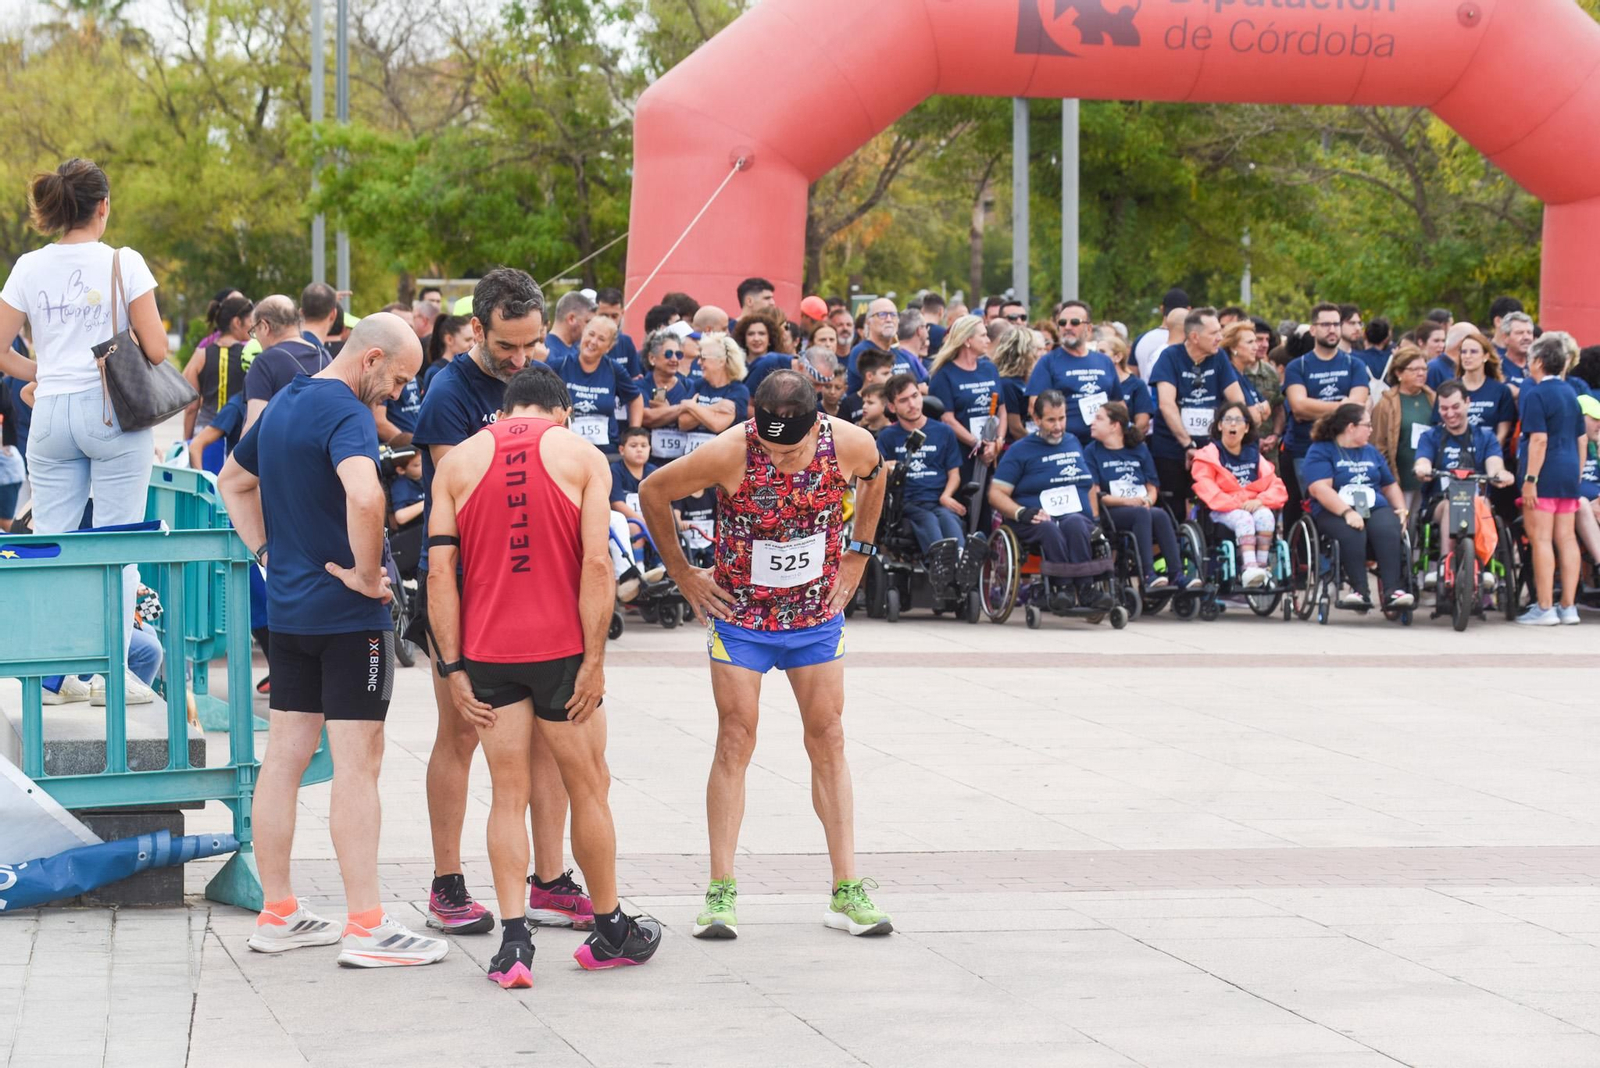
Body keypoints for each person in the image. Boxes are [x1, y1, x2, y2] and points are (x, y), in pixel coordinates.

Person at [220, 312, 447, 968]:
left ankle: (278, 912)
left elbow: (232, 481)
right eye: (398, 380)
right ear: (370, 358)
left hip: (290, 614)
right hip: (349, 619)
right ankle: (367, 925)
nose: (398, 395)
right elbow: (367, 497)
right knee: (358, 764)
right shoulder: (347, 412)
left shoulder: (284, 402)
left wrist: (267, 554)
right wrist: (368, 574)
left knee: (284, 759)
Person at [637, 369, 894, 940]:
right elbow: (652, 491)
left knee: (828, 736)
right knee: (736, 736)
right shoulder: (729, 450)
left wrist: (858, 555)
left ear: (816, 426)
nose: (780, 461)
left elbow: (877, 475)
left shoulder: (850, 442)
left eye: (792, 452)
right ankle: (720, 890)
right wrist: (683, 574)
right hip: (742, 617)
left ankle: (846, 889)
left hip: (814, 614)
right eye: (772, 450)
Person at [426, 365, 661, 985]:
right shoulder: (581, 455)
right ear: (562, 413)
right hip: (560, 650)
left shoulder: (458, 462)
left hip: (487, 650)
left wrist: (452, 667)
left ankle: (513, 945)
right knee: (588, 787)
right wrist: (594, 661)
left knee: (507, 793)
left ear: (506, 411)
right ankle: (611, 929)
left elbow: (438, 574)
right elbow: (597, 565)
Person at [408, 268, 594, 938]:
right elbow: (461, 497)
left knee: (549, 738)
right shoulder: (448, 391)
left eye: (532, 344)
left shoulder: (541, 381)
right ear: (476, 330)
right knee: (462, 732)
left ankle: (549, 881)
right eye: (507, 346)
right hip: (465, 588)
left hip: (538, 590)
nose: (521, 360)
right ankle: (447, 883)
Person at [0, 158, 169, 696]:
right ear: (103, 206)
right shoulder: (124, 261)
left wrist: (45, 372)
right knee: (117, 546)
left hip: (49, 416)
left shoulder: (29, 265)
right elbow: (157, 349)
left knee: (54, 546)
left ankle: (58, 674)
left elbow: (1, 349)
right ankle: (110, 675)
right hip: (111, 413)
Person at [988, 390, 1114, 611]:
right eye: (1051, 420)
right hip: (1035, 518)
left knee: (1075, 523)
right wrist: (1020, 512)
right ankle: (1062, 588)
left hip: (1073, 516)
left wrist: (1095, 518)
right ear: (1036, 420)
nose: (1058, 426)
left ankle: (1086, 589)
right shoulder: (1020, 450)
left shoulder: (1072, 442)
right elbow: (996, 493)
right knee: (1050, 528)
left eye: (1062, 419)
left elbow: (1088, 486)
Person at [1302, 403, 1414, 612]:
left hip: (1373, 505)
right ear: (1351, 427)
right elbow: (1319, 489)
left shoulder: (1370, 451)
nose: (1371, 429)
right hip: (1334, 509)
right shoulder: (1321, 450)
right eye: (1367, 425)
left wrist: (1401, 509)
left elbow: (1389, 485)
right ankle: (1360, 590)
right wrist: (1347, 512)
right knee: (1352, 531)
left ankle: (1393, 590)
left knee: (1388, 528)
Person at [1413, 380, 1513, 587]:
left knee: (1482, 504)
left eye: (1455, 406)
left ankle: (1485, 564)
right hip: (1440, 502)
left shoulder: (1485, 437)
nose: (1450, 413)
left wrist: (1501, 474)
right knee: (1453, 504)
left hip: (1476, 500)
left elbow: (1494, 465)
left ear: (1468, 403)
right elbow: (1423, 460)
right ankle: (1444, 563)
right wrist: (1422, 468)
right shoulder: (1430, 436)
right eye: (1444, 408)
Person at [1085, 401, 1192, 592]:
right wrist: (1128, 502)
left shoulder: (1139, 449)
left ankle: (1177, 574)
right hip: (1111, 510)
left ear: (1114, 425)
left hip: (1140, 506)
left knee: (1160, 514)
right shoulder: (1091, 452)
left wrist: (1149, 500)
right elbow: (1097, 495)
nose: (1092, 423)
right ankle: (1148, 575)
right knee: (1141, 514)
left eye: (1099, 419)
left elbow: (1152, 487)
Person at [1147, 307, 1246, 514]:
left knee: (1214, 506)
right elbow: (1166, 404)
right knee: (1174, 508)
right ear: (1194, 337)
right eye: (1214, 333)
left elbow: (1237, 400)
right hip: (1173, 445)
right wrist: (1187, 445)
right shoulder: (1170, 357)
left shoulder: (1218, 357)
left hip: (1211, 447)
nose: (1220, 338)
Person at [1517, 334, 1585, 625]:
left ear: (1539, 362)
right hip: (1569, 470)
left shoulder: (1536, 394)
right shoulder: (1571, 392)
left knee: (1541, 539)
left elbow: (1539, 440)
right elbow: (1582, 439)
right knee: (1567, 539)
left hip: (1545, 472)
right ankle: (1568, 606)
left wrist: (1530, 479)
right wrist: (1576, 472)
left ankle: (1545, 607)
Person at [875, 372, 971, 579]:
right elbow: (875, 473)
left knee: (949, 520)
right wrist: (887, 466)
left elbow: (954, 473)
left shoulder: (943, 432)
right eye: (904, 400)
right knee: (928, 520)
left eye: (915, 396)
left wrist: (947, 495)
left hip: (938, 500)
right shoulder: (887, 436)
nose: (912, 404)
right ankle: (940, 564)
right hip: (907, 504)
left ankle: (962, 565)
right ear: (892, 407)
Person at [1191, 400, 1289, 587]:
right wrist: (1241, 502)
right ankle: (1249, 568)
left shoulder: (1254, 456)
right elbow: (1206, 487)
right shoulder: (1208, 455)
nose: (1233, 424)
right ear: (1220, 426)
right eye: (1228, 420)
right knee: (1245, 518)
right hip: (1222, 510)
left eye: (1238, 420)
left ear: (1247, 427)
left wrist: (1260, 500)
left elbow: (1275, 485)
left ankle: (1262, 568)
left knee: (1266, 516)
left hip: (1252, 505)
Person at [1282, 303, 1371, 496]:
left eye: (1336, 324)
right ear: (1313, 329)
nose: (1332, 329)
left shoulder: (1355, 364)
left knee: (1349, 501)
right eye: (1325, 324)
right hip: (1305, 448)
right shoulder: (1297, 367)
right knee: (1315, 504)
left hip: (1347, 448)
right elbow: (1299, 407)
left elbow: (1356, 408)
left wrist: (1314, 409)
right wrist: (1341, 406)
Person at [1025, 300, 1122, 445]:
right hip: (1065, 445)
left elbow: (1118, 403)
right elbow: (1035, 405)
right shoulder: (1048, 362)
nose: (1067, 327)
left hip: (1102, 444)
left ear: (1089, 328)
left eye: (1075, 322)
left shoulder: (1104, 361)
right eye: (1062, 323)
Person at [182, 294, 254, 469]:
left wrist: (187, 441)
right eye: (250, 320)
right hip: (236, 436)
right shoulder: (249, 356)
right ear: (237, 322)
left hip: (203, 435)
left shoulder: (201, 354)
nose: (253, 325)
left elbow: (191, 407)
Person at [927, 314, 1004, 474]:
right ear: (967, 340)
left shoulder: (989, 368)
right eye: (983, 335)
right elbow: (947, 419)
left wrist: (998, 442)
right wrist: (977, 445)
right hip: (960, 453)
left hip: (992, 452)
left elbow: (1002, 410)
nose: (988, 340)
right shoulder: (943, 374)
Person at [557, 314, 641, 455]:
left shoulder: (614, 369)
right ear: (583, 334)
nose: (593, 341)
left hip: (606, 452)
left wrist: (634, 434)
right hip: (568, 450)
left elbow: (636, 398)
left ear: (609, 347)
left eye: (601, 339)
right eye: (591, 334)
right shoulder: (561, 365)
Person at [243, 296, 329, 430]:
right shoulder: (324, 356)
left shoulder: (264, 363)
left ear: (264, 326)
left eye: (254, 330)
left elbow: (254, 426)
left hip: (278, 443)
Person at [1370, 345, 1436, 520]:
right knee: (1403, 522)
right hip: (1400, 476)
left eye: (1424, 369)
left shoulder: (1432, 398)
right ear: (1399, 372)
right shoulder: (1387, 403)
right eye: (1414, 369)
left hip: (1428, 476)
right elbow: (1378, 444)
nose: (1421, 373)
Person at [680, 334, 750, 455]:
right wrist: (714, 407)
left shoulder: (738, 390)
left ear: (721, 361)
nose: (698, 362)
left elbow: (717, 424)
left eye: (703, 358)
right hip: (692, 456)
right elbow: (683, 422)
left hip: (722, 457)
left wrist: (692, 406)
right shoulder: (699, 385)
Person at [636, 329, 696, 466]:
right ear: (652, 358)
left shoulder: (689, 385)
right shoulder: (640, 386)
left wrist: (664, 413)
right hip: (649, 464)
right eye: (668, 354)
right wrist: (684, 407)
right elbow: (646, 417)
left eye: (678, 354)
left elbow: (688, 420)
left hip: (681, 463)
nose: (674, 359)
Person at [1450, 329, 1516, 450]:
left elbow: (1502, 433)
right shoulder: (1450, 389)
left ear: (1486, 356)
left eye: (1473, 352)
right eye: (1464, 352)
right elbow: (1441, 428)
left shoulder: (1501, 391)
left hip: (1490, 454)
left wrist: (1488, 454)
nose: (1467, 356)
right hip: (1455, 452)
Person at [846, 298, 926, 393]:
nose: (889, 319)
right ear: (868, 322)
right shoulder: (862, 352)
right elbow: (878, 391)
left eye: (893, 315)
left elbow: (923, 384)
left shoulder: (903, 355)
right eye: (882, 315)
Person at [609, 427, 655, 566]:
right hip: (626, 520)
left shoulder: (654, 472)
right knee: (635, 527)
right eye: (634, 446)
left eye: (644, 446)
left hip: (649, 519)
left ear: (650, 449)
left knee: (664, 525)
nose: (639, 450)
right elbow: (617, 503)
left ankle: (663, 567)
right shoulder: (615, 471)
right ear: (622, 450)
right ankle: (638, 570)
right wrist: (643, 522)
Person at [992, 321, 1040, 444]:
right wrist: (1039, 445)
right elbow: (1015, 428)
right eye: (1033, 349)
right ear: (1022, 352)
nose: (1036, 354)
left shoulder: (1024, 380)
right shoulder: (1006, 384)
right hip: (1015, 445)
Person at [1133, 287, 1189, 381]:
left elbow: (1132, 376)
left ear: (1162, 309)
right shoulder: (1191, 342)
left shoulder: (1141, 340)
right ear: (1189, 310)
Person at [735, 308, 793, 394]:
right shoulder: (734, 366)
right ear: (744, 339)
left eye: (762, 334)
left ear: (770, 339)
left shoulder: (780, 365)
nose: (756, 339)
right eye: (751, 334)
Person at [1573, 394, 1600, 565]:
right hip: (1579, 507)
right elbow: (1571, 485)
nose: (1599, 424)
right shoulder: (1567, 448)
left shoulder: (1595, 447)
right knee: (1582, 504)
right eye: (1595, 419)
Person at [422, 313, 473, 395]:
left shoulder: (464, 368)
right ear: (449, 339)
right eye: (467, 340)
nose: (473, 345)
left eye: (474, 340)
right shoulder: (436, 371)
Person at [544, 290, 595, 367]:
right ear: (571, 319)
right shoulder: (547, 353)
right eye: (588, 322)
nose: (591, 328)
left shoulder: (578, 348)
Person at [1497, 311, 1535, 389]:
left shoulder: (1540, 365)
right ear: (1505, 337)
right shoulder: (1497, 367)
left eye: (1529, 333)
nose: (1526, 337)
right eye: (1519, 333)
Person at [1418, 321, 1454, 390]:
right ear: (1421, 342)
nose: (1442, 345)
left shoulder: (1447, 366)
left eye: (1443, 341)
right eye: (1436, 341)